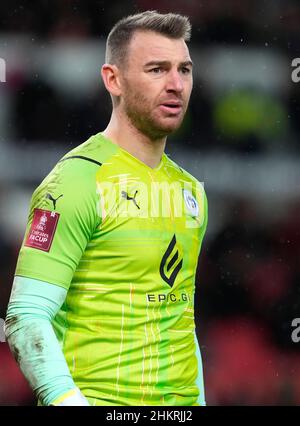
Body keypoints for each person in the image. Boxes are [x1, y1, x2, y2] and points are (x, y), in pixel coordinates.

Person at [5, 10, 208, 406]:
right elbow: (25, 318)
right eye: (156, 69)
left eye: (184, 69)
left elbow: (180, 319)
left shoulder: (191, 192)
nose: (176, 84)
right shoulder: (75, 184)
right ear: (113, 79)